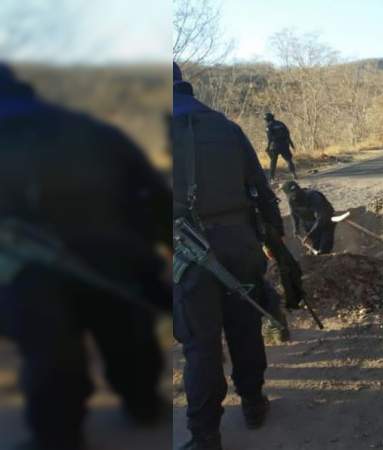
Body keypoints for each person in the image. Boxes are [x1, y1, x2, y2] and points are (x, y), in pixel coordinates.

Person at [0, 64, 171, 450]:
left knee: (51, 356)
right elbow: (154, 193)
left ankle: (59, 437)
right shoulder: (89, 129)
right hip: (119, 261)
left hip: (32, 273)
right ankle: (143, 405)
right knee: (129, 340)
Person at [173, 62, 296, 450]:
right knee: (244, 325)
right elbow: (260, 189)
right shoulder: (226, 127)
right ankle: (254, 403)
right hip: (240, 245)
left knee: (200, 344)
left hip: (187, 256)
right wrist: (275, 242)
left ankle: (205, 435)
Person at [281, 181, 336, 255]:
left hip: (326, 221)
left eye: (297, 193)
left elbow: (322, 217)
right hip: (308, 222)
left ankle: (325, 255)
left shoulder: (314, 196)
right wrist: (296, 228)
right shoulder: (291, 199)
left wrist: (309, 235)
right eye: (293, 195)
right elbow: (293, 213)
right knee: (315, 246)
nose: (295, 196)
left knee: (324, 248)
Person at [264, 112, 297, 182]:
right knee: (288, 160)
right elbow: (287, 134)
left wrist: (268, 147)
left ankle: (272, 178)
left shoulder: (269, 126)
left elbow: (270, 138)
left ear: (266, 119)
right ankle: (294, 174)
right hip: (284, 144)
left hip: (275, 146)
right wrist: (291, 144)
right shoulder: (281, 124)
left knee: (273, 162)